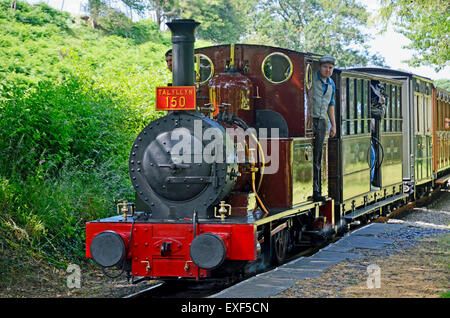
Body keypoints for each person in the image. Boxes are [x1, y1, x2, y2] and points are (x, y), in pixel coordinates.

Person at [312, 56, 336, 202]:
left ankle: (317, 189)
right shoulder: (311, 79)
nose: (328, 70)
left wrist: (333, 124)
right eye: (325, 67)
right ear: (320, 68)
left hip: (322, 121)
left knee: (318, 156)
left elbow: (330, 105)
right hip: (310, 120)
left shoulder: (331, 83)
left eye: (330, 68)